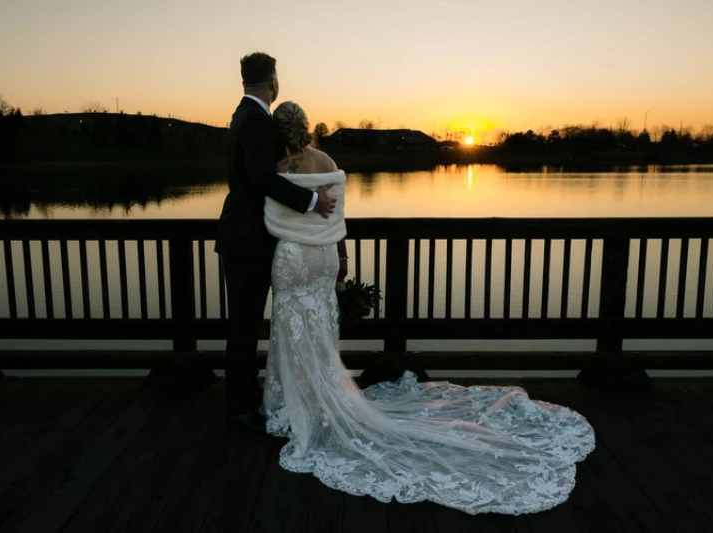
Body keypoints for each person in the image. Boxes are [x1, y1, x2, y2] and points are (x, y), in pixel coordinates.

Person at [262, 101, 596, 515]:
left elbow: (269, 214)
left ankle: (295, 407)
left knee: (293, 328)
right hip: (326, 257)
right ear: (308, 127)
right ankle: (320, 398)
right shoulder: (326, 159)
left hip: (294, 257)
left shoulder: (276, 167)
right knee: (320, 332)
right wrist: (343, 265)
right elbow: (337, 219)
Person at [215, 53, 336, 432]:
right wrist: (313, 201)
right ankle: (239, 406)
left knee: (245, 325)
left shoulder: (246, 116)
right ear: (272, 82)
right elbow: (262, 179)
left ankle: (247, 397)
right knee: (244, 327)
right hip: (246, 242)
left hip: (247, 239)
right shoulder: (254, 120)